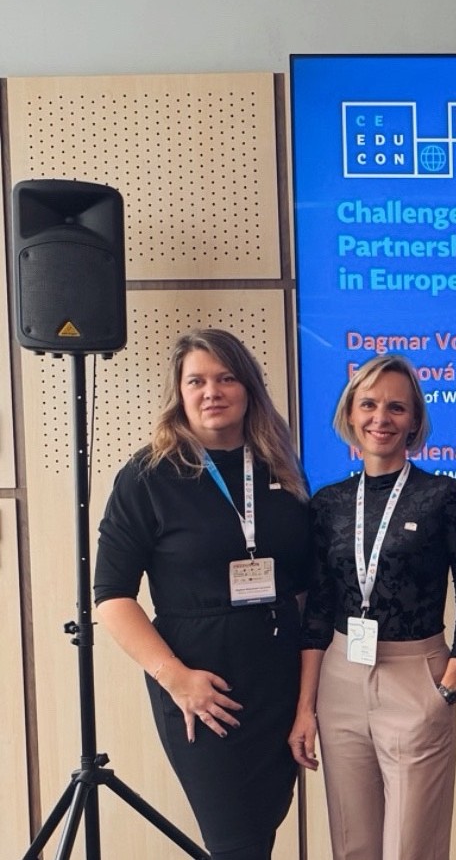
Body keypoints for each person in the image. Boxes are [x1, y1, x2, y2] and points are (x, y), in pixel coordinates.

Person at [94, 328, 312, 860]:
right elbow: (112, 597)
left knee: (259, 833)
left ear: (248, 389)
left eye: (226, 377)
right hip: (201, 686)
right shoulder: (147, 477)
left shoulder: (281, 469)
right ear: (180, 392)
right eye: (197, 380)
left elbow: (308, 590)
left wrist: (307, 698)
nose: (211, 391)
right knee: (234, 842)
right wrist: (176, 679)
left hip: (277, 680)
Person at [290, 353, 456, 860]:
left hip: (416, 677)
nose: (382, 418)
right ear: (350, 414)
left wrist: (451, 679)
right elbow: (317, 610)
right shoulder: (328, 503)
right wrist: (305, 707)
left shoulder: (445, 496)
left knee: (411, 847)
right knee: (353, 844)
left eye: (397, 408)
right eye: (370, 404)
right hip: (340, 677)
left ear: (415, 420)